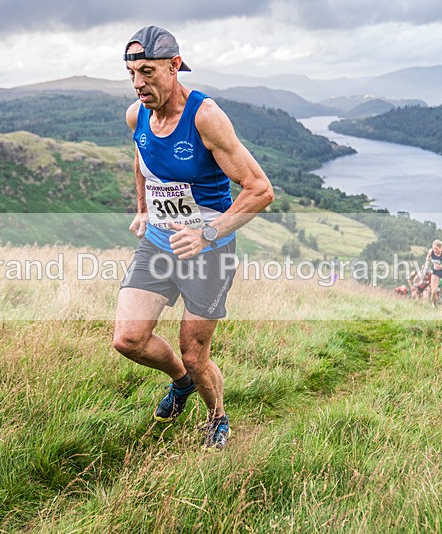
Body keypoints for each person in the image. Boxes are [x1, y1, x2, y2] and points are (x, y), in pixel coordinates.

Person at [112, 26, 274, 452]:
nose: (138, 83)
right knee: (127, 340)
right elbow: (142, 158)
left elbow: (260, 189)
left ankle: (217, 416)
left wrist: (206, 232)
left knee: (195, 355)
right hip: (160, 244)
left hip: (209, 252)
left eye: (147, 72)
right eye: (131, 73)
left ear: (175, 65)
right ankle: (180, 385)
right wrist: (144, 209)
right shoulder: (137, 114)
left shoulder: (205, 116)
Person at [425, 239, 442, 307]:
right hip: (436, 272)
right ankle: (434, 305)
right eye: (433, 248)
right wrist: (427, 262)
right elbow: (428, 256)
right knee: (434, 291)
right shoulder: (431, 252)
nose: (435, 250)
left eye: (436, 249)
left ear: (440, 248)